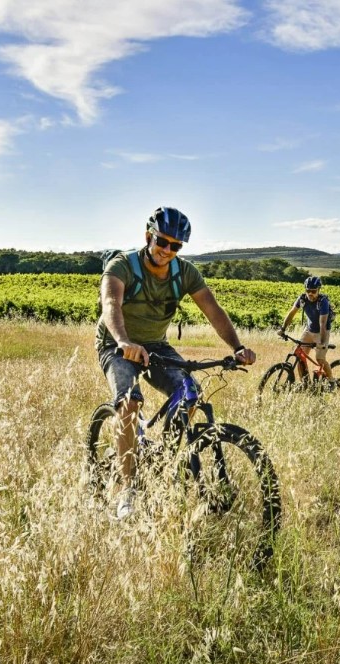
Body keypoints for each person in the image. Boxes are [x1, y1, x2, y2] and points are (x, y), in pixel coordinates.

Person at [96, 206, 256, 519]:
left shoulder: (184, 273)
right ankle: (128, 488)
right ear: (148, 236)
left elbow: (213, 310)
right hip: (117, 343)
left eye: (176, 246)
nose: (168, 250)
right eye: (162, 241)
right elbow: (111, 303)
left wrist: (238, 347)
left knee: (189, 391)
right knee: (129, 404)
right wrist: (124, 341)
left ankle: (166, 459)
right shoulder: (122, 266)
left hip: (156, 344)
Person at [277, 276, 333, 381]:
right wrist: (283, 329)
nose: (310, 293)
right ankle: (305, 383)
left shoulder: (323, 302)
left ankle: (331, 380)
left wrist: (322, 341)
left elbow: (323, 323)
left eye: (313, 291)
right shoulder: (302, 299)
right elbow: (291, 313)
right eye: (308, 291)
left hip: (322, 331)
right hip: (309, 330)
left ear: (318, 290)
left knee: (320, 359)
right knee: (299, 357)